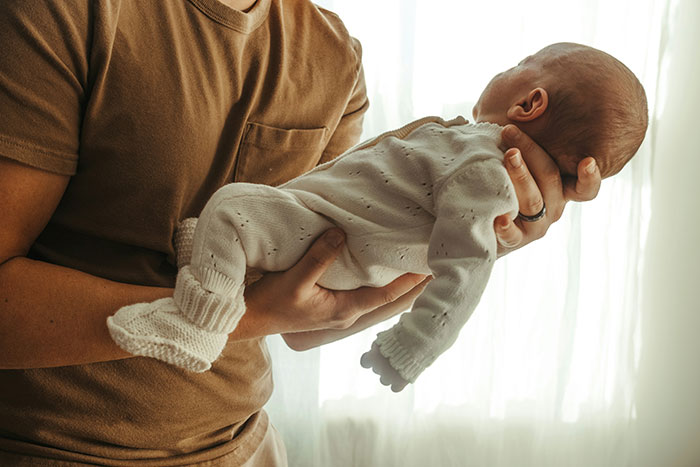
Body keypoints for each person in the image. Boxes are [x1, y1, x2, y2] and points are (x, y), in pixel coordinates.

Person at [0, 0, 602, 464]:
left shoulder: (334, 56)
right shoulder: (70, 15)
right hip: (56, 448)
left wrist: (478, 239)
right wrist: (244, 318)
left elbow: (308, 326)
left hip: (245, 445)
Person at [107, 43, 644, 389]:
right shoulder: (472, 153)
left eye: (512, 66)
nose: (499, 68)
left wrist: (415, 343)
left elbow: (464, 269)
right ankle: (216, 266)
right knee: (229, 225)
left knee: (228, 208)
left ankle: (195, 323)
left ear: (530, 104)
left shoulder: (483, 164)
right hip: (332, 249)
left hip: (326, 242)